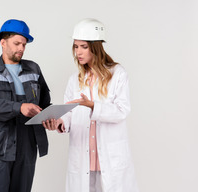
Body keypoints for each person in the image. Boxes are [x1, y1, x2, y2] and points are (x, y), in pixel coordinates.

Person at [43, 18, 139, 192]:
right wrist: (60, 122)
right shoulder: (75, 80)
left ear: (96, 47)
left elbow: (122, 110)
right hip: (83, 158)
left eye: (84, 47)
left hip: (110, 158)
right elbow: (69, 112)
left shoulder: (117, 74)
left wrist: (92, 106)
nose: (78, 52)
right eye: (76, 46)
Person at [0, 19, 51, 192]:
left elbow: (45, 102)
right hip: (1, 144)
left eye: (24, 45)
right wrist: (20, 107)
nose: (21, 49)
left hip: (28, 143)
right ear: (3, 42)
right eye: (17, 43)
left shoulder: (33, 68)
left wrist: (51, 118)